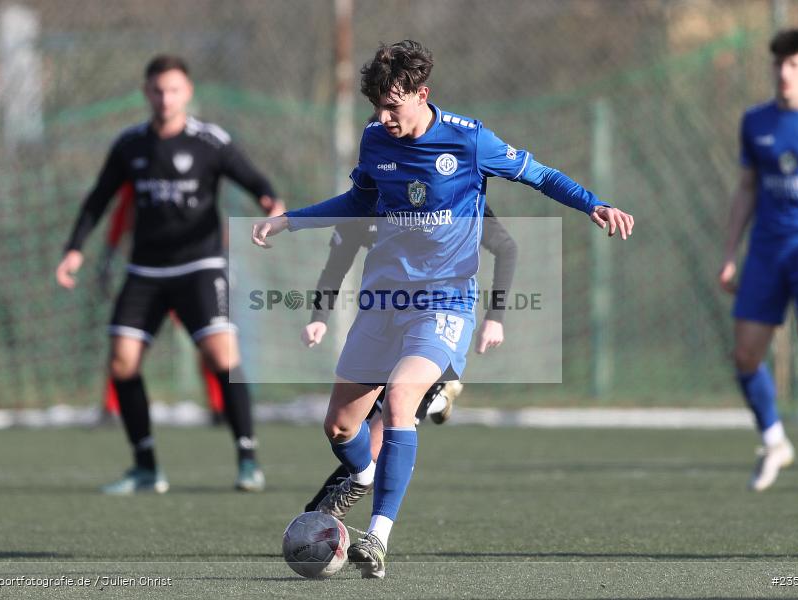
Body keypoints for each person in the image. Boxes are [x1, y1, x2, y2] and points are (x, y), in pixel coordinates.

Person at [252, 40, 632, 578]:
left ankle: (378, 537)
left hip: (445, 301)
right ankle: (361, 476)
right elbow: (360, 204)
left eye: (394, 106)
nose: (384, 118)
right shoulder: (373, 139)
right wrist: (290, 219)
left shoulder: (470, 139)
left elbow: (540, 174)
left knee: (403, 398)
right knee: (340, 427)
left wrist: (593, 202)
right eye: (377, 108)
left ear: (422, 94)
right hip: (383, 300)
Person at [56, 54, 284, 494]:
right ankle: (145, 467)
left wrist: (271, 204)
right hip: (146, 268)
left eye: (173, 90)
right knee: (122, 361)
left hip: (201, 265)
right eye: (158, 90)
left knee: (221, 355)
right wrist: (73, 250)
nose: (165, 98)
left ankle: (247, 457)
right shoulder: (129, 145)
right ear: (147, 93)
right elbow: (98, 198)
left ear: (188, 93)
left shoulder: (210, 141)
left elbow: (254, 179)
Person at [301, 205, 517, 512]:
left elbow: (506, 248)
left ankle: (319, 515)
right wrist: (318, 317)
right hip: (383, 333)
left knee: (378, 442)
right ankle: (440, 398)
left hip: (433, 331)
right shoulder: (368, 196)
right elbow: (336, 266)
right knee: (345, 428)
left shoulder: (450, 189)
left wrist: (495, 316)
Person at [719, 29, 798, 493]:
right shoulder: (755, 121)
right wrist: (731, 252)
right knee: (746, 354)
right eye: (777, 64)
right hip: (766, 253)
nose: (783, 72)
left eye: (793, 63)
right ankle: (774, 441)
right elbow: (747, 188)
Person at [97, 182, 226, 426]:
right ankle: (112, 407)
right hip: (149, 276)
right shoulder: (139, 172)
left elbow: (210, 218)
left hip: (191, 274)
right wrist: (109, 253)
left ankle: (220, 407)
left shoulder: (199, 167)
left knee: (212, 342)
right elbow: (122, 214)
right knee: (126, 344)